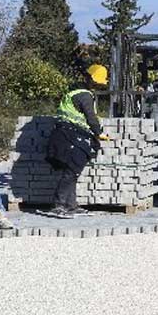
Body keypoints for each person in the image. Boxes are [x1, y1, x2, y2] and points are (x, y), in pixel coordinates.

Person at [45, 64, 110, 218]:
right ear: (92, 80)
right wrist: (98, 132)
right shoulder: (85, 96)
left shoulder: (74, 92)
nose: (98, 86)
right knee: (71, 170)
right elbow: (91, 117)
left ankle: (71, 205)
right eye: (98, 83)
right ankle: (59, 205)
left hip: (65, 134)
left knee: (71, 171)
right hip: (70, 136)